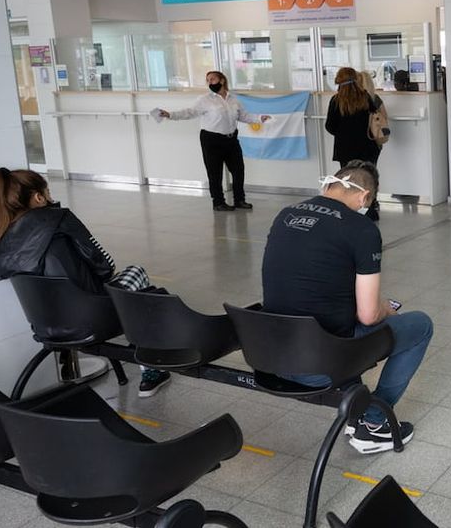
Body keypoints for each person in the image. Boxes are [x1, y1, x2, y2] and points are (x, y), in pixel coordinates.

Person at [261, 160, 432, 454]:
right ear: (365, 197)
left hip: (269, 352)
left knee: (337, 319)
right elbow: (368, 314)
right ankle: (374, 424)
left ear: (330, 184)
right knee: (419, 325)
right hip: (319, 363)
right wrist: (386, 310)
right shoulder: (361, 229)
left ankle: (358, 407)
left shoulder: (286, 214)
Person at [0, 168, 170, 397]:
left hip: (47, 326)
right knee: (136, 276)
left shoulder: (3, 240)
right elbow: (105, 267)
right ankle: (151, 372)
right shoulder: (58, 218)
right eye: (47, 192)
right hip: (93, 317)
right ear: (39, 197)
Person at [158, 71, 270, 212]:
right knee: (214, 173)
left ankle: (239, 200)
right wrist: (170, 115)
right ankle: (218, 202)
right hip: (211, 140)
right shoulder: (204, 100)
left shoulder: (233, 100)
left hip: (231, 139)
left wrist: (260, 118)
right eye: (208, 80)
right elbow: (190, 112)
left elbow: (243, 116)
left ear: (222, 80)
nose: (210, 82)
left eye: (213, 79)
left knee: (238, 170)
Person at [325, 67, 383, 221]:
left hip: (345, 148)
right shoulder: (365, 97)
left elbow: (329, 126)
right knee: (368, 178)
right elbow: (374, 116)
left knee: (349, 180)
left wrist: (343, 133)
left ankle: (350, 210)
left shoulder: (336, 101)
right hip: (367, 146)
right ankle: (370, 210)